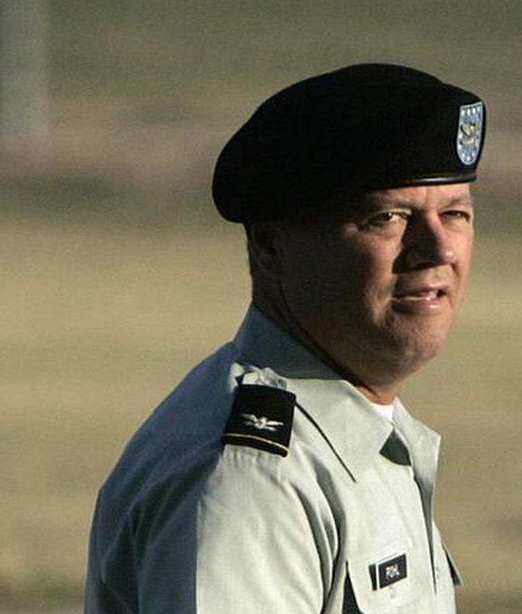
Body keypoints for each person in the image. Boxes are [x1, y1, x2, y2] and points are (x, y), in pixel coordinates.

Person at [84, 63, 486, 614]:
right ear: (271, 247)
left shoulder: (357, 433)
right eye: (387, 218)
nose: (437, 248)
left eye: (455, 213)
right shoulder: (256, 479)